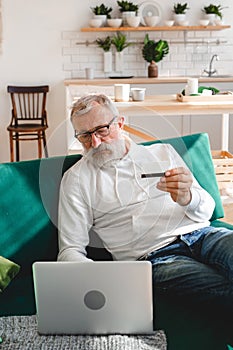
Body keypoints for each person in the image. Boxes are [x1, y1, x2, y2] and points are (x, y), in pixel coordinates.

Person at [58, 93, 233, 310]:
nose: (95, 142)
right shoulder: (76, 179)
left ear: (120, 124)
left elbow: (207, 211)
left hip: (204, 235)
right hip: (154, 258)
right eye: (85, 136)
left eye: (102, 130)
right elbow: (70, 249)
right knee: (222, 291)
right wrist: (98, 277)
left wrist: (188, 197)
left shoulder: (162, 153)